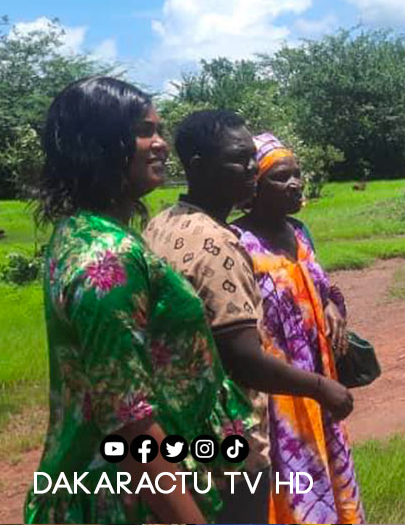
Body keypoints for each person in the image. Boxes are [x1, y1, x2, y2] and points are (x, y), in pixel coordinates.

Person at [25, 78, 258, 525]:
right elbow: (130, 422)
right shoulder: (107, 257)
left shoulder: (86, 232)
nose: (160, 144)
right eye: (143, 131)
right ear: (97, 145)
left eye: (158, 129)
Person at [146, 111, 346, 524]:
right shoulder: (221, 244)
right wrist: (323, 388)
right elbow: (244, 359)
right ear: (199, 167)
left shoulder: (162, 223)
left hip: (178, 422)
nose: (253, 169)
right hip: (226, 437)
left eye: (254, 158)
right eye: (240, 160)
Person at [231, 132, 363, 524]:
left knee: (328, 466)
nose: (294, 184)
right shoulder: (239, 241)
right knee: (288, 480)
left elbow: (323, 286)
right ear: (254, 186)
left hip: (319, 376)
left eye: (297, 175)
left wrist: (331, 307)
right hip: (275, 388)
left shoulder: (300, 232)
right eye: (280, 177)